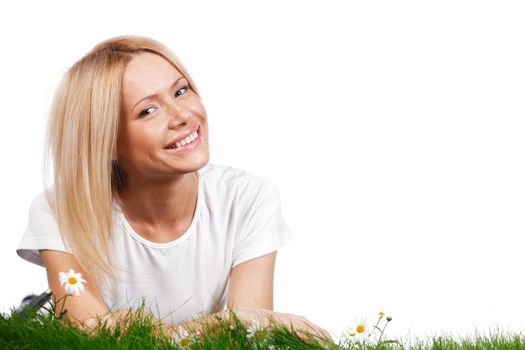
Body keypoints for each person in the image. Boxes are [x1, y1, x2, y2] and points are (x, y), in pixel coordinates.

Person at [16, 35, 332, 342]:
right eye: (148, 111)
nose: (182, 115)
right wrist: (223, 323)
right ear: (106, 143)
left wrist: (131, 329)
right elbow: (88, 335)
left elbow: (247, 338)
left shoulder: (248, 199)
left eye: (181, 91)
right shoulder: (59, 210)